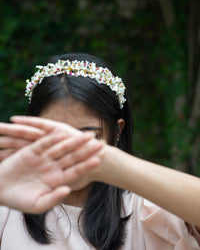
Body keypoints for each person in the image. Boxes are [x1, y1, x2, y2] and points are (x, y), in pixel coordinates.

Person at [0, 52, 200, 250]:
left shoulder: (148, 213)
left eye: (87, 138)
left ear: (117, 131)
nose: (66, 151)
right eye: (52, 137)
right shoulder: (8, 208)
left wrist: (107, 162)